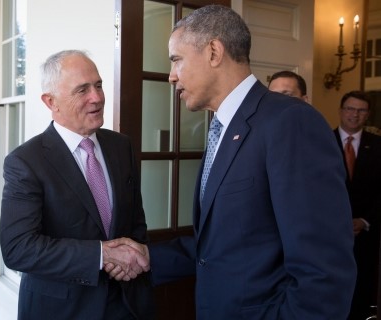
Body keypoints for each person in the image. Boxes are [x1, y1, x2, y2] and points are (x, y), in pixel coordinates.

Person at [114, 5, 356, 318]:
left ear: (214, 51)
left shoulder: (291, 123)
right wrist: (146, 257)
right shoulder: (223, 128)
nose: (171, 76)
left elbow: (324, 271)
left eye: (176, 60)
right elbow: (225, 245)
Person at [0, 50, 154, 320]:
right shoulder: (25, 162)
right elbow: (18, 248)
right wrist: (101, 256)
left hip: (127, 304)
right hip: (62, 310)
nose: (97, 97)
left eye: (98, 85)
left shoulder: (121, 146)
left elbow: (135, 223)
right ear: (51, 102)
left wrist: (131, 260)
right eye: (82, 90)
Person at [334, 91, 381, 320]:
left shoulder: (379, 145)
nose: (355, 114)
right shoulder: (322, 139)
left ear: (368, 115)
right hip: (328, 236)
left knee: (362, 294)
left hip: (367, 237)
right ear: (341, 111)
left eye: (361, 110)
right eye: (350, 109)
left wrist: (365, 220)